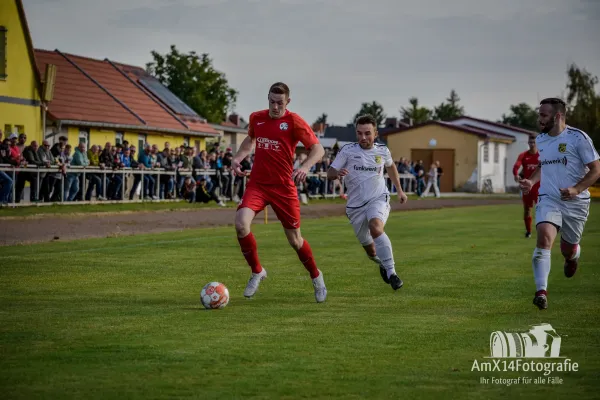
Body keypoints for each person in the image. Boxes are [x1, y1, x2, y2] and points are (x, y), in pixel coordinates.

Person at [231, 82, 327, 303]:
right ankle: (257, 271)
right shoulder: (257, 118)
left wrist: (304, 167)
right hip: (258, 184)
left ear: (288, 102)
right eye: (272, 102)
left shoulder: (294, 121)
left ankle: (316, 276)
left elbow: (318, 149)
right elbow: (250, 139)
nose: (275, 107)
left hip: (284, 187)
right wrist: (237, 159)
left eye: (280, 103)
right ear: (267, 99)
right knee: (240, 223)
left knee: (295, 240)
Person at [520, 97, 600, 310]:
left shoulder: (578, 138)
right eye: (539, 114)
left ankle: (573, 256)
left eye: (543, 115)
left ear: (557, 116)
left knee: (568, 249)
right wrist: (531, 180)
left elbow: (596, 170)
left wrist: (576, 189)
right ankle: (541, 292)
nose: (539, 119)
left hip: (576, 203)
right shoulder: (543, 139)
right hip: (549, 198)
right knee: (544, 237)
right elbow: (542, 165)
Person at [326, 114, 408, 290]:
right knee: (371, 252)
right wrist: (336, 173)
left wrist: (399, 190)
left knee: (376, 227)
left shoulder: (383, 151)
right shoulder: (347, 150)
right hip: (355, 207)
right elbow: (330, 172)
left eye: (367, 133)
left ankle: (392, 273)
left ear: (376, 133)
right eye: (359, 133)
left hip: (378, 198)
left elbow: (391, 167)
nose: (363, 137)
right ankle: (382, 263)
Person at [513, 135, 540, 238]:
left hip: (539, 187)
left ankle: (544, 229)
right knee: (527, 209)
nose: (532, 144)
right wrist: (516, 174)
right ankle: (528, 231)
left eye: (533, 142)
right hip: (527, 187)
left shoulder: (541, 155)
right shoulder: (523, 155)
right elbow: (516, 166)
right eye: (530, 142)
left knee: (542, 209)